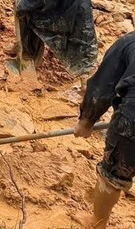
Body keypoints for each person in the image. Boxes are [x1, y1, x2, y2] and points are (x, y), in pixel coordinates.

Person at [74, 31, 135, 229]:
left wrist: (86, 122)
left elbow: (101, 90)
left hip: (132, 120)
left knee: (112, 177)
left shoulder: (129, 42)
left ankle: (97, 222)